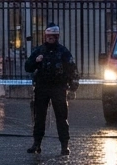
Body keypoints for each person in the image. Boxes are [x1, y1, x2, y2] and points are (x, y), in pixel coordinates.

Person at [25, 23, 78, 155]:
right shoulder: (39, 51)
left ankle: (64, 145)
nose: (50, 38)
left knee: (61, 117)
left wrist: (73, 87)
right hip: (42, 87)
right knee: (39, 117)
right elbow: (27, 67)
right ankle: (36, 144)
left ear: (57, 36)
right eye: (48, 36)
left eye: (53, 36)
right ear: (45, 36)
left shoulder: (63, 51)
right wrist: (36, 61)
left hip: (59, 87)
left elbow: (72, 69)